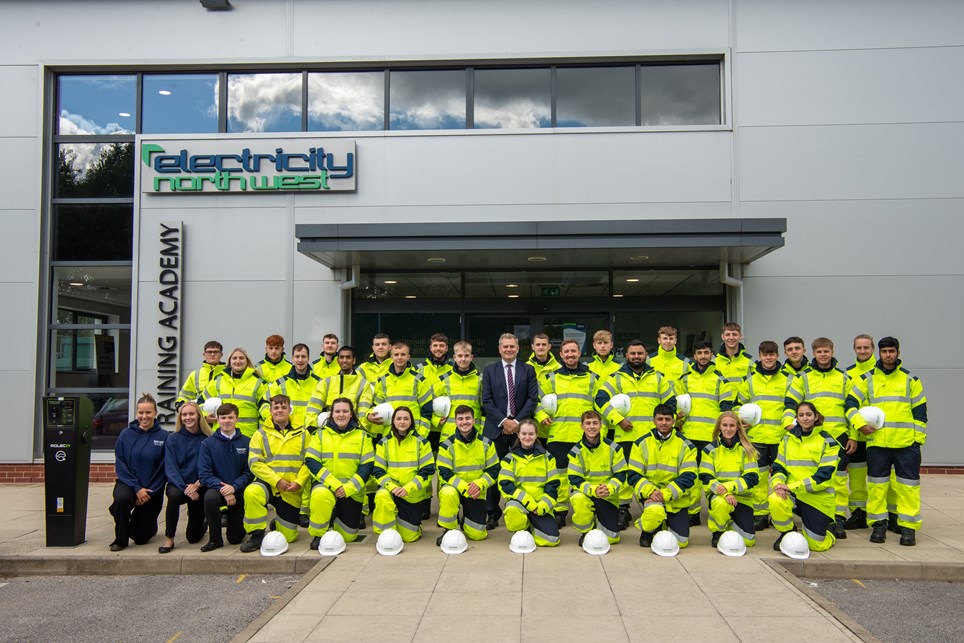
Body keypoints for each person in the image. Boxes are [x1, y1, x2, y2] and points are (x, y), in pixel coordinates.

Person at [845, 336, 927, 546]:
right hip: (878, 444)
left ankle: (908, 528)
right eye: (884, 352)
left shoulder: (911, 380)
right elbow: (850, 404)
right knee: (877, 487)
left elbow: (920, 413)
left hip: (906, 445)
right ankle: (878, 525)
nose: (888, 355)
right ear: (879, 353)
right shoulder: (867, 379)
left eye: (892, 351)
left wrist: (917, 440)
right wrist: (860, 425)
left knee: (908, 488)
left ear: (898, 353)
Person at [595, 340, 675, 531]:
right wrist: (617, 419)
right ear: (627, 355)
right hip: (626, 435)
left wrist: (661, 425)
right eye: (633, 354)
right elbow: (600, 399)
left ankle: (652, 505)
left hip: (651, 437)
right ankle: (623, 509)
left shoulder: (658, 378)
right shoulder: (617, 378)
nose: (636, 357)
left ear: (646, 355)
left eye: (640, 353)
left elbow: (671, 402)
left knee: (651, 473)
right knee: (623, 475)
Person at [783, 337, 856, 539]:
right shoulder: (803, 377)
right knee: (816, 478)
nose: (823, 355)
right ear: (813, 353)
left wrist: (853, 435)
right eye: (819, 352)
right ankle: (817, 512)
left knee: (839, 480)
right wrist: (789, 424)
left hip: (838, 436)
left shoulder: (844, 378)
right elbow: (790, 403)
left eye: (826, 351)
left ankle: (838, 518)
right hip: (812, 437)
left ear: (832, 352)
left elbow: (852, 407)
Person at [535, 338, 599, 526]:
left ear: (579, 353)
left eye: (574, 351)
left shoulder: (592, 378)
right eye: (566, 352)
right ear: (561, 355)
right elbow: (537, 401)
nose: (570, 355)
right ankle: (560, 511)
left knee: (588, 475)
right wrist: (540, 417)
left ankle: (588, 510)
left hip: (586, 436)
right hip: (559, 434)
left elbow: (600, 404)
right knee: (560, 476)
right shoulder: (551, 378)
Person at [481, 333, 539, 529]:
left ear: (517, 348)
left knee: (521, 473)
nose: (508, 349)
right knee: (493, 473)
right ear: (499, 349)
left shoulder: (528, 370)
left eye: (512, 346)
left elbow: (532, 398)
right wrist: (504, 421)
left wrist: (517, 423)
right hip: (496, 430)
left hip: (520, 432)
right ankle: (492, 512)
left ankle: (521, 508)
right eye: (505, 346)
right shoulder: (489, 371)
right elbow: (486, 400)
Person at [675, 339, 736, 526]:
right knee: (691, 474)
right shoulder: (684, 379)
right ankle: (693, 512)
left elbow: (726, 407)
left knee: (711, 474)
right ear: (694, 356)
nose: (703, 356)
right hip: (690, 433)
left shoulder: (720, 379)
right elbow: (677, 406)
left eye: (706, 353)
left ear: (712, 355)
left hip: (712, 435)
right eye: (699, 353)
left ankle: (713, 506)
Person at [240, 395, 310, 553]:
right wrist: (276, 480)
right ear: (270, 411)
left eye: (283, 407)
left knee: (289, 538)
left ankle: (277, 524)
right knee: (252, 492)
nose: (280, 410)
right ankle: (256, 535)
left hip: (291, 488)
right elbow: (254, 463)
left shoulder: (304, 434)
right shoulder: (260, 434)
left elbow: (309, 462)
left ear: (289, 409)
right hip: (268, 484)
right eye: (276, 408)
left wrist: (299, 482)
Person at [735, 340, 791, 531]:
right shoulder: (750, 380)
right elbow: (737, 405)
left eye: (772, 354)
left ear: (777, 356)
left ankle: (780, 513)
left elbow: (794, 406)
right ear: (759, 356)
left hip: (780, 437)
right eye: (765, 354)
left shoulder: (789, 379)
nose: (768, 358)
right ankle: (760, 514)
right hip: (756, 437)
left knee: (781, 476)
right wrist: (741, 421)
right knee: (758, 478)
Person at [769, 401, 839, 553]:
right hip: (793, 494)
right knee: (775, 499)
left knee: (816, 546)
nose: (805, 418)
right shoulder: (787, 439)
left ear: (815, 417)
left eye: (809, 414)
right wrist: (778, 483)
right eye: (801, 415)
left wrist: (790, 486)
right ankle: (787, 533)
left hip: (817, 498)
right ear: (796, 418)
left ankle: (831, 530)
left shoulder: (828, 441)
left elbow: (823, 477)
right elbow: (779, 466)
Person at [304, 398, 374, 549]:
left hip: (351, 491)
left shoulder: (363, 436)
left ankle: (333, 517)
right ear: (331, 414)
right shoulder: (319, 435)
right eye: (337, 411)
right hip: (327, 486)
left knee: (348, 536)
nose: (341, 415)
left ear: (351, 414)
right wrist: (334, 485)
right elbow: (311, 461)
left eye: (345, 411)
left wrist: (348, 488)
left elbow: (367, 466)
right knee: (320, 495)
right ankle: (319, 535)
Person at [626, 404, 697, 549]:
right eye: (660, 419)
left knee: (681, 542)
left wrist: (665, 494)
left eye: (667, 419)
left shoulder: (686, 445)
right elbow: (633, 475)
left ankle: (664, 523)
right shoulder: (640, 443)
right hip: (650, 496)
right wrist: (651, 492)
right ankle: (648, 529)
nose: (663, 423)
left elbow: (689, 476)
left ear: (673, 421)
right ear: (653, 420)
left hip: (676, 499)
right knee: (654, 512)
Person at [109, 393, 167, 551]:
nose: (144, 416)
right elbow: (120, 464)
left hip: (152, 490)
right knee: (121, 499)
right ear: (136, 413)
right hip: (128, 484)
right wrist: (136, 489)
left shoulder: (164, 437)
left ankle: (147, 525)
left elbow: (164, 469)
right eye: (141, 412)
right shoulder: (125, 435)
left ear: (155, 413)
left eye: (148, 412)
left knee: (140, 538)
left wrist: (147, 492)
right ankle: (120, 539)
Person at [436, 405, 500, 544]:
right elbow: (444, 473)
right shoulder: (446, 445)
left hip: (477, 491)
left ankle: (467, 520)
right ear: (455, 421)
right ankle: (448, 530)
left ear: (474, 420)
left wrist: (478, 485)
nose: (464, 422)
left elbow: (494, 470)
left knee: (478, 535)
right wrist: (466, 488)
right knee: (448, 493)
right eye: (460, 419)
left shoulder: (487, 444)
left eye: (467, 418)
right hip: (455, 489)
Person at [372, 406, 436, 543]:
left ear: (411, 422)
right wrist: (392, 487)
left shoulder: (422, 443)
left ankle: (414, 526)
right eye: (399, 418)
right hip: (391, 491)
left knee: (409, 538)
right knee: (382, 495)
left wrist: (408, 488)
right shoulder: (383, 443)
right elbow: (378, 471)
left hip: (411, 494)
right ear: (393, 421)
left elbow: (428, 471)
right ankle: (386, 536)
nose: (402, 422)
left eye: (406, 419)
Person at [197, 403, 253, 551]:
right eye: (223, 417)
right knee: (209, 498)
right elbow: (204, 474)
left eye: (230, 417)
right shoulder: (208, 443)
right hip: (217, 489)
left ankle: (235, 525)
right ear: (217, 419)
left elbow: (249, 472)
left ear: (237, 419)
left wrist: (234, 488)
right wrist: (225, 489)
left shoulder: (247, 443)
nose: (226, 421)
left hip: (238, 491)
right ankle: (215, 539)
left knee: (235, 539)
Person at [498, 419, 562, 547]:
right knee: (512, 509)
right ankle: (523, 529)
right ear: (518, 435)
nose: (527, 437)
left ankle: (534, 525)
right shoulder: (509, 458)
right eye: (524, 434)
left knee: (551, 540)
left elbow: (553, 485)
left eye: (531, 434)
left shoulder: (547, 457)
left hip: (540, 505)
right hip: (520, 503)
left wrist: (544, 504)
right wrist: (528, 501)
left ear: (536, 435)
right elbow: (506, 485)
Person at [159, 401, 213, 553]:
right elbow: (170, 468)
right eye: (184, 414)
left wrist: (198, 484)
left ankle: (203, 521)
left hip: (199, 486)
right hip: (178, 485)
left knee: (193, 538)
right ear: (180, 418)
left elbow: (210, 467)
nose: (188, 417)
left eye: (191, 414)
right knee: (174, 497)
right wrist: (186, 488)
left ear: (198, 416)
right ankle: (169, 537)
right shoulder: (173, 439)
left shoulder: (208, 439)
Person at [699, 411, 759, 548]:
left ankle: (730, 524)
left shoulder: (748, 450)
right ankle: (718, 531)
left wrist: (729, 487)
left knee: (748, 541)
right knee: (721, 504)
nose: (728, 429)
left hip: (742, 498)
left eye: (732, 425)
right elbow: (706, 477)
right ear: (719, 427)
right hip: (719, 496)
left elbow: (752, 478)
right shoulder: (709, 449)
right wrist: (725, 493)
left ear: (738, 427)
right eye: (724, 425)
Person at [568, 410, 628, 546]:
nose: (591, 427)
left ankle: (600, 522)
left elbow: (621, 474)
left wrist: (609, 489)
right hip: (586, 494)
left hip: (608, 495)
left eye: (595, 423)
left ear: (601, 425)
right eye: (587, 423)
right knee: (577, 498)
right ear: (582, 426)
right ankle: (586, 531)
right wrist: (594, 490)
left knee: (612, 539)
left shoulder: (614, 448)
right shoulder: (576, 451)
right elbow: (574, 478)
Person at [843, 333, 876, 530]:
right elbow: (847, 408)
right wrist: (853, 435)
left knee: (885, 479)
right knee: (856, 479)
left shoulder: (881, 372)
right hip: (858, 435)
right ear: (854, 349)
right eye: (859, 348)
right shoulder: (848, 374)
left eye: (866, 347)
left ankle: (892, 514)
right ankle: (859, 513)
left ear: (872, 349)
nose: (862, 351)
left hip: (881, 437)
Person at [202, 347, 268, 437]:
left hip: (247, 435)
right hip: (220, 435)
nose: (237, 361)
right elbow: (201, 402)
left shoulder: (258, 382)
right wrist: (205, 416)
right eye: (234, 358)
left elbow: (266, 407)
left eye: (241, 358)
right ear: (230, 361)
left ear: (247, 361)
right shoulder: (218, 380)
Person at [306, 345, 373, 427]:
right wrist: (311, 427)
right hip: (329, 430)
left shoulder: (364, 384)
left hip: (353, 430)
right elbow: (313, 407)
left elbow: (363, 413)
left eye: (348, 357)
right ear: (338, 361)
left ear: (354, 360)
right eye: (341, 357)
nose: (344, 360)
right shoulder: (326, 382)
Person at [434, 341, 483, 444]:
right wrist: (436, 419)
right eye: (460, 356)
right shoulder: (444, 379)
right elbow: (430, 401)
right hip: (449, 432)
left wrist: (482, 428)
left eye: (466, 356)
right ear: (454, 357)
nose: (463, 359)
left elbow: (485, 407)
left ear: (471, 357)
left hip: (474, 431)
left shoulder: (480, 379)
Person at [267, 343, 321, 430]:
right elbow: (266, 405)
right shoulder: (279, 384)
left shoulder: (319, 383)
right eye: (297, 356)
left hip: (311, 432)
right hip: (286, 432)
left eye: (303, 357)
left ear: (308, 359)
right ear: (292, 359)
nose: (300, 360)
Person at [175, 340, 225, 407]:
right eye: (209, 352)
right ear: (204, 354)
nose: (212, 354)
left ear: (221, 355)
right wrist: (180, 406)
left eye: (216, 352)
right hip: (200, 415)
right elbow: (184, 396)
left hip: (223, 415)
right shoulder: (195, 374)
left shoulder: (228, 373)